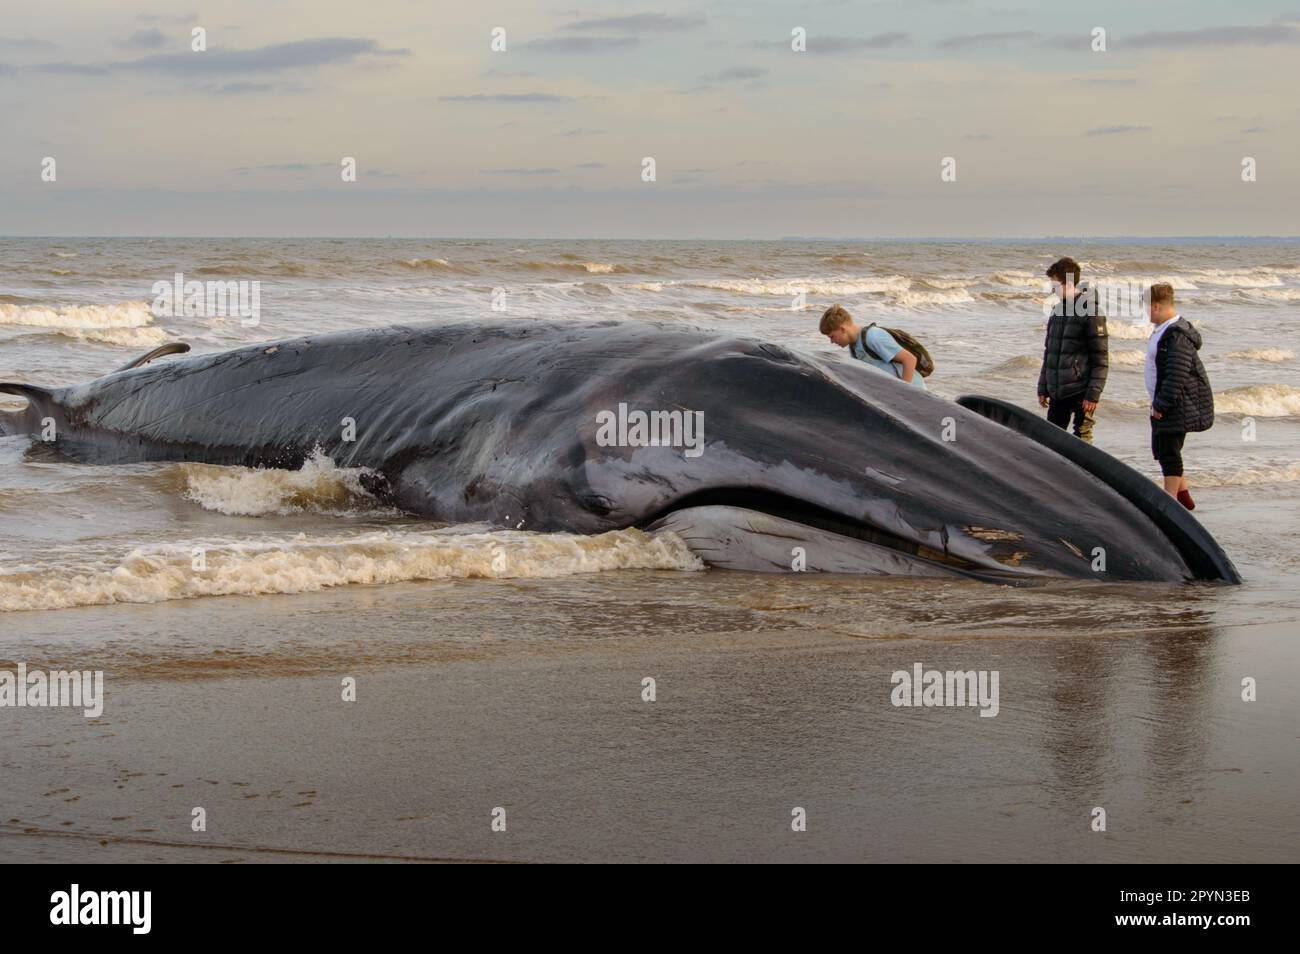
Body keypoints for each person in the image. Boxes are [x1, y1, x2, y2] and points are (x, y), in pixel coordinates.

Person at [1145, 283, 1214, 510]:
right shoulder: (1165, 330)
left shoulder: (1177, 336)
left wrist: (1162, 404)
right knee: (1164, 449)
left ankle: (1170, 505)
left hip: (1176, 405)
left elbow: (1177, 375)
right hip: (1165, 402)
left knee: (1169, 453)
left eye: (1147, 307)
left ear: (1156, 306)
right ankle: (1183, 496)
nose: (1146, 312)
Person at [1037, 257, 1108, 442]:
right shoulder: (1056, 311)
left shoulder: (1091, 312)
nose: (1052, 290)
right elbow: (1049, 352)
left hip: (1080, 390)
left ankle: (1085, 472)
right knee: (1052, 440)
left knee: (1082, 440)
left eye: (1055, 285)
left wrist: (1093, 394)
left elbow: (1100, 358)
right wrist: (1043, 386)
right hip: (1057, 390)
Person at [820, 304, 926, 389]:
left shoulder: (873, 337)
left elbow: (910, 359)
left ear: (842, 329)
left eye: (832, 336)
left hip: (914, 392)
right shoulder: (854, 346)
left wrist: (905, 391)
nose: (831, 342)